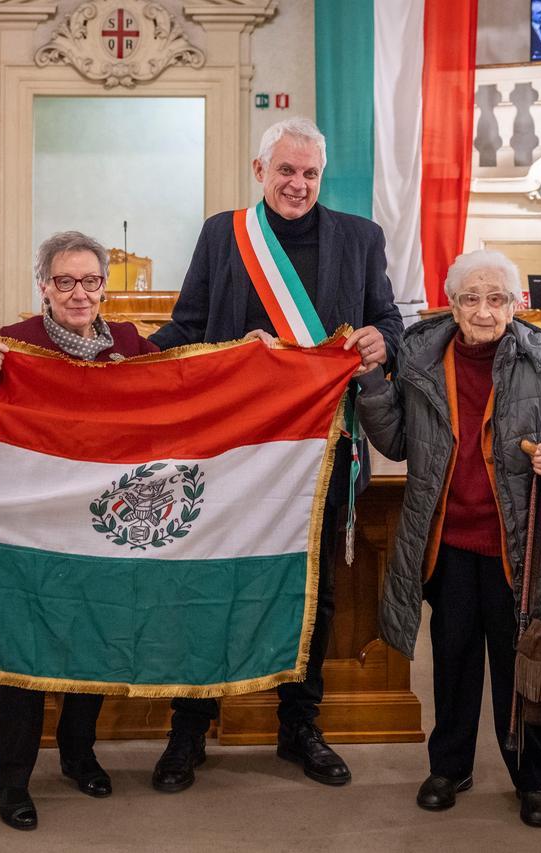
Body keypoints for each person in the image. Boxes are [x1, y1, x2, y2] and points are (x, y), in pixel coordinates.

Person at [148, 116, 403, 792]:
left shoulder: (360, 237)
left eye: (310, 173)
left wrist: (383, 338)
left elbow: (390, 320)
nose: (297, 184)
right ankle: (189, 727)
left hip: (323, 453)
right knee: (209, 586)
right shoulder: (223, 234)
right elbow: (187, 326)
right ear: (260, 171)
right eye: (285, 171)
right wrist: (117, 356)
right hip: (231, 452)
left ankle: (299, 727)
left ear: (322, 176)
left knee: (310, 594)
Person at [355, 249, 541, 829]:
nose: (484, 312)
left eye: (496, 299)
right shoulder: (418, 355)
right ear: (452, 303)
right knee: (454, 659)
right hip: (448, 541)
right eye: (470, 298)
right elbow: (396, 443)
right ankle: (448, 768)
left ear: (517, 304)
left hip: (520, 544)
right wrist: (369, 382)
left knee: (521, 667)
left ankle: (532, 779)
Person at [0, 231, 159, 832]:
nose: (80, 293)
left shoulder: (128, 343)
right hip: (30, 523)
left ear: (105, 286)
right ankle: (12, 779)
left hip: (104, 521)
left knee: (93, 637)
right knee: (23, 645)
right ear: (43, 286)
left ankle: (79, 755)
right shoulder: (15, 343)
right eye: (65, 281)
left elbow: (167, 404)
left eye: (91, 281)